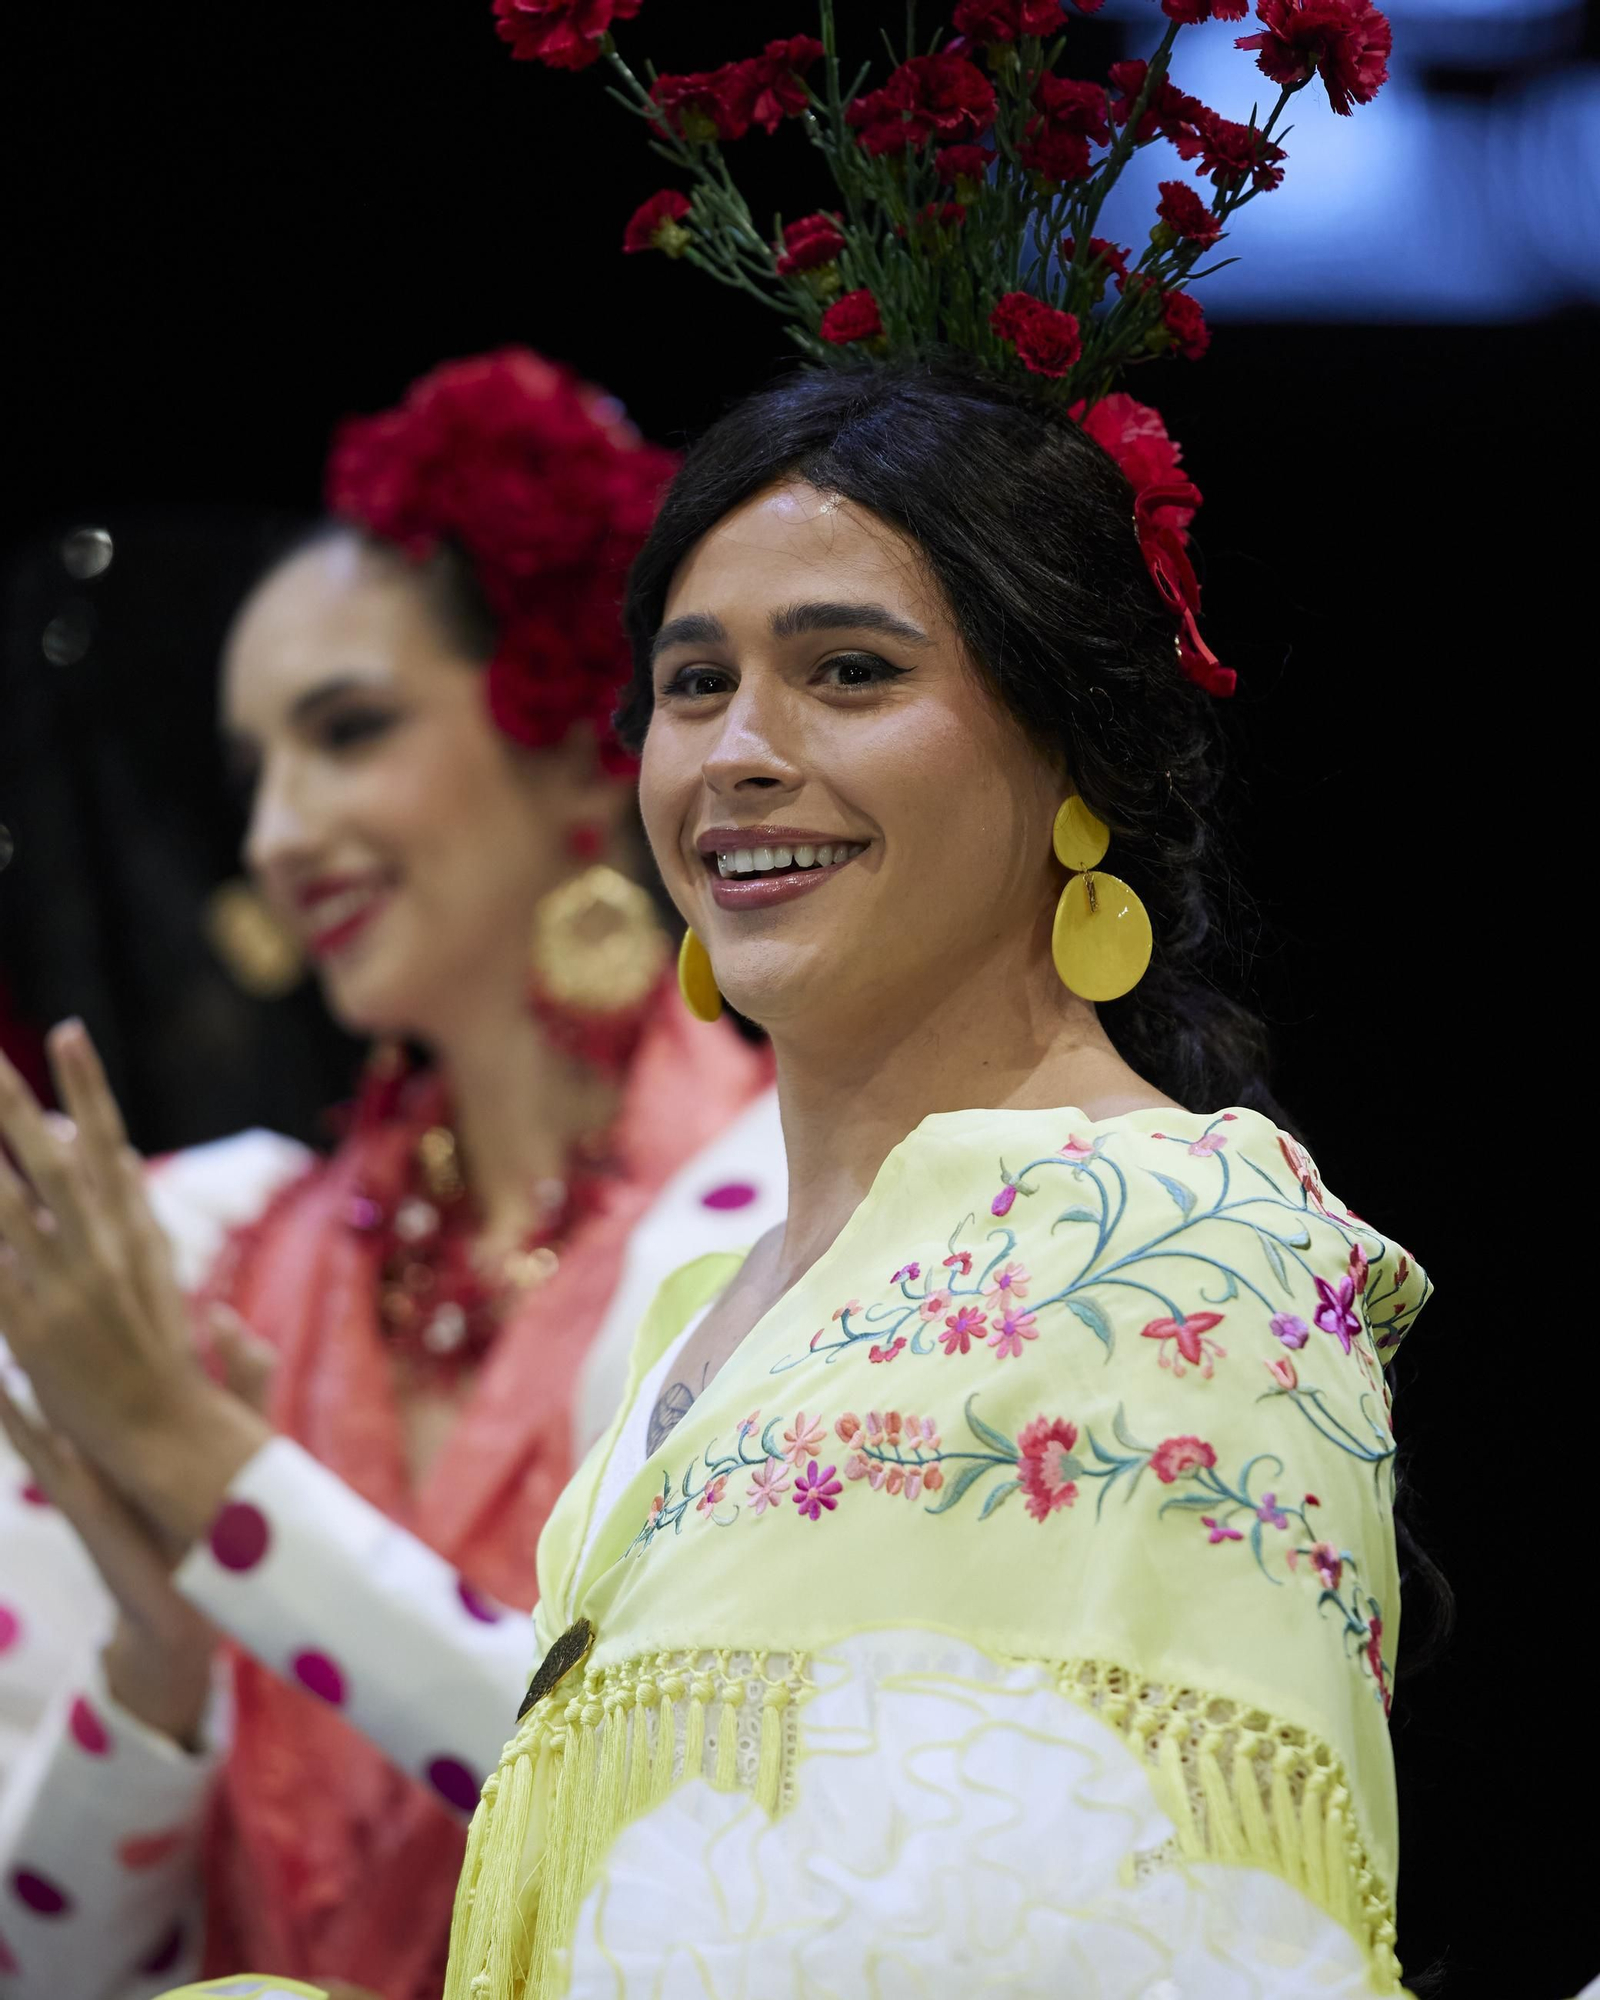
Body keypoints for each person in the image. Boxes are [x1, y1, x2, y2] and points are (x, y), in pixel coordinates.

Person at [423, 11, 1451, 1998]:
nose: (737, 753)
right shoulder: (690, 1309)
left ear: (1072, 757)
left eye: (850, 672)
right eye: (695, 683)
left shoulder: (1181, 1242)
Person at [0, 349, 783, 2000]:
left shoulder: (780, 1214)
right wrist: (157, 1658)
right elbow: (44, 1964)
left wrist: (204, 1467)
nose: (277, 836)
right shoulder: (217, 1246)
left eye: (347, 732)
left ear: (575, 735)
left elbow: (664, 1809)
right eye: (251, 775)